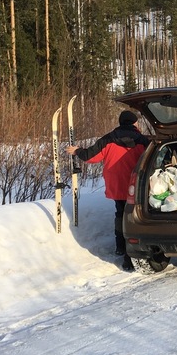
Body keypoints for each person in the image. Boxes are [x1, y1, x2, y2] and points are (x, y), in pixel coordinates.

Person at [66, 110, 149, 271]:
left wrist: (77, 151)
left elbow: (91, 157)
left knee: (120, 213)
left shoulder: (108, 139)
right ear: (134, 123)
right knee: (134, 218)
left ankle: (120, 247)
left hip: (116, 185)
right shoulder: (142, 140)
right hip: (136, 187)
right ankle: (130, 256)